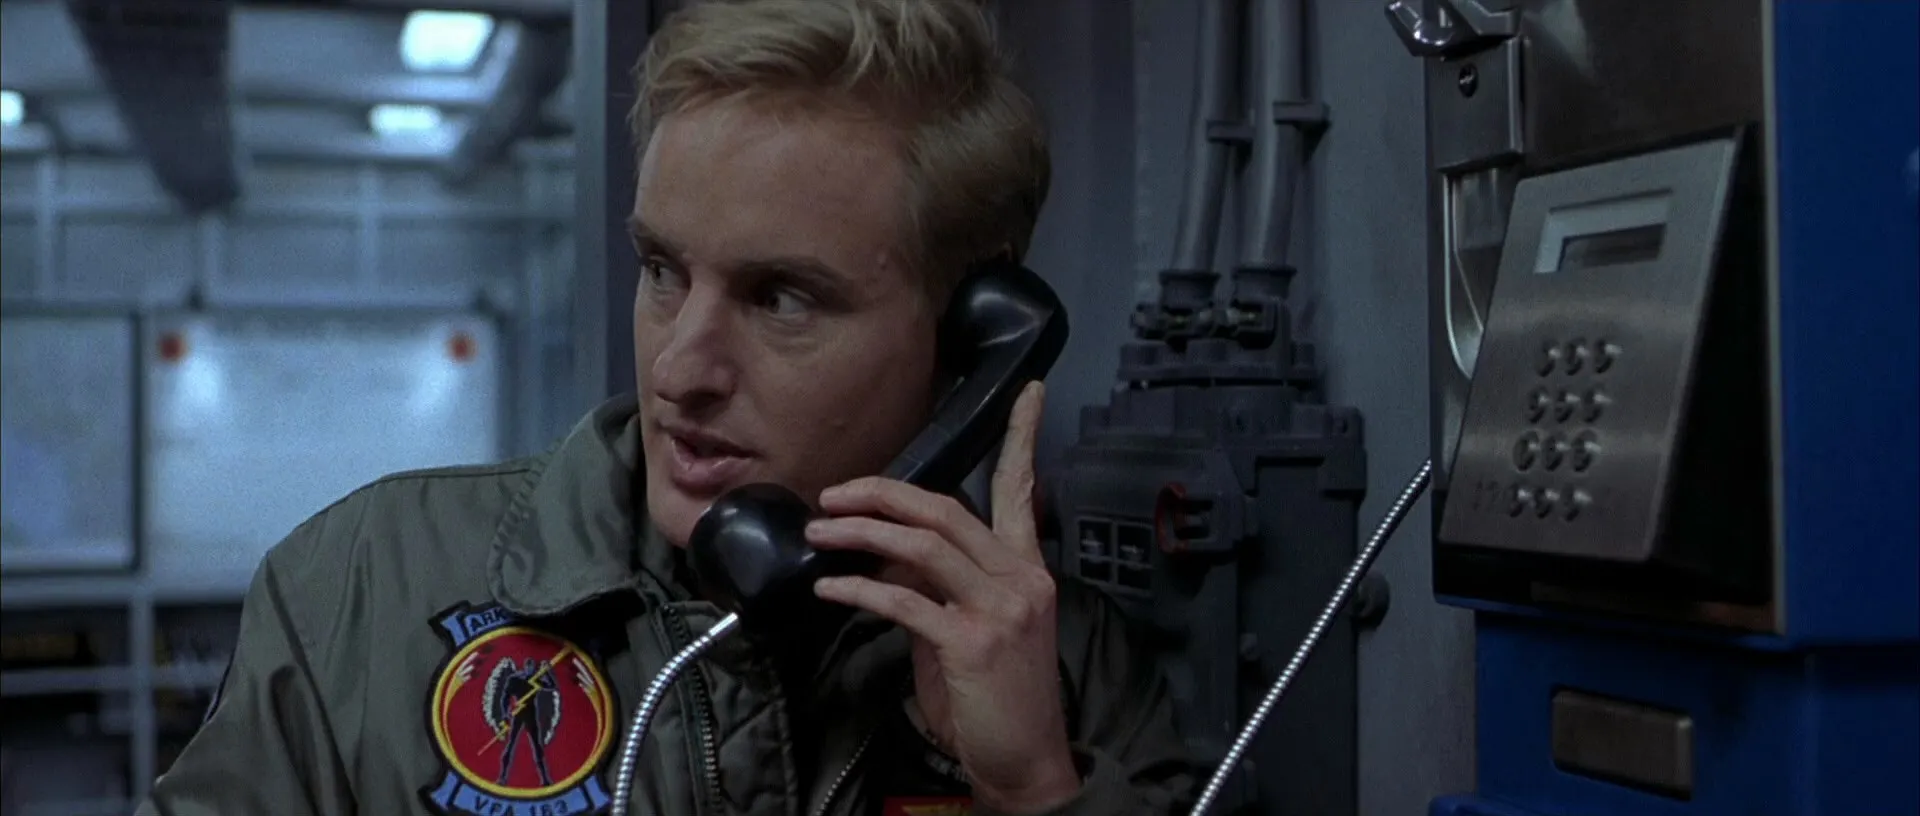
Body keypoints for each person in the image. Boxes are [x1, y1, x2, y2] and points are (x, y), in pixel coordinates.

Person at [136, 1, 1198, 814]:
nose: (681, 368)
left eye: (781, 298)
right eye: (662, 271)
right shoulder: (361, 593)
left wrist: (1035, 792)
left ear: (969, 344)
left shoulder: (1070, 672)